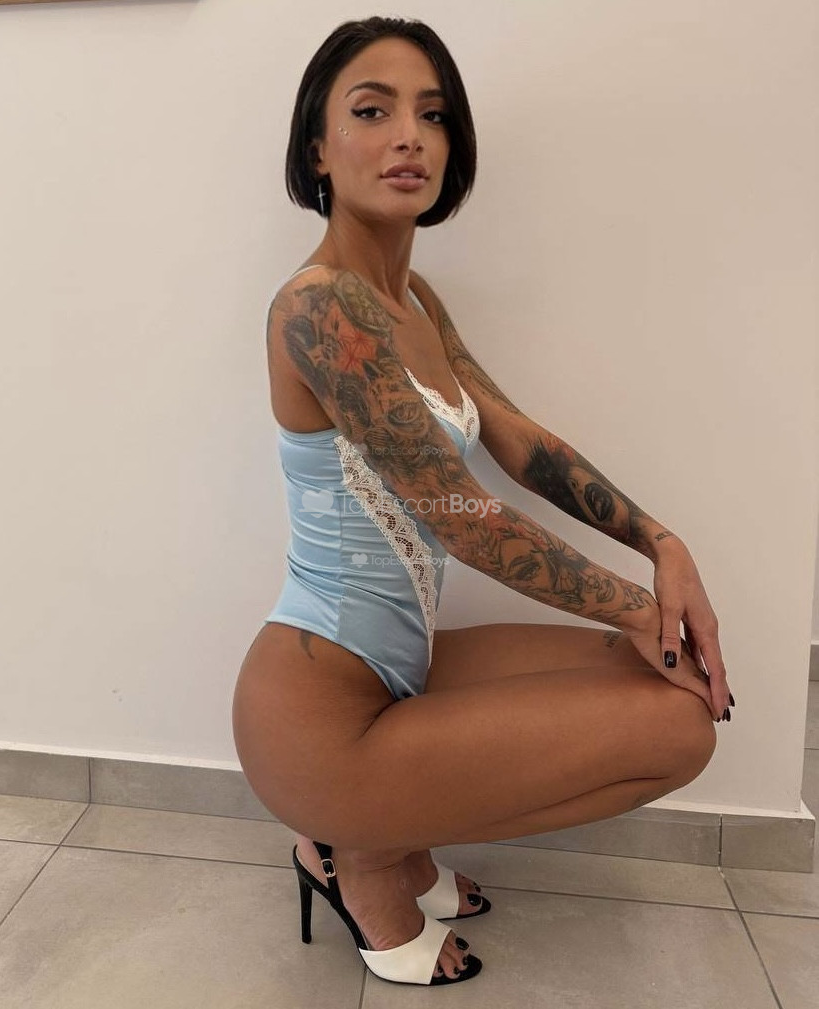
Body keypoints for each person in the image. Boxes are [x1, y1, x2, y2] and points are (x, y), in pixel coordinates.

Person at [232, 15, 735, 988]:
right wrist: (642, 609)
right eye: (371, 111)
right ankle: (360, 850)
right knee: (677, 728)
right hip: (320, 714)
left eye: (432, 114)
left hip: (405, 668)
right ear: (317, 149)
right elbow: (460, 515)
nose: (408, 137)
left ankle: (379, 829)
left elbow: (516, 439)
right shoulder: (319, 306)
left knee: (659, 689)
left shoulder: (415, 300)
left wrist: (662, 543)